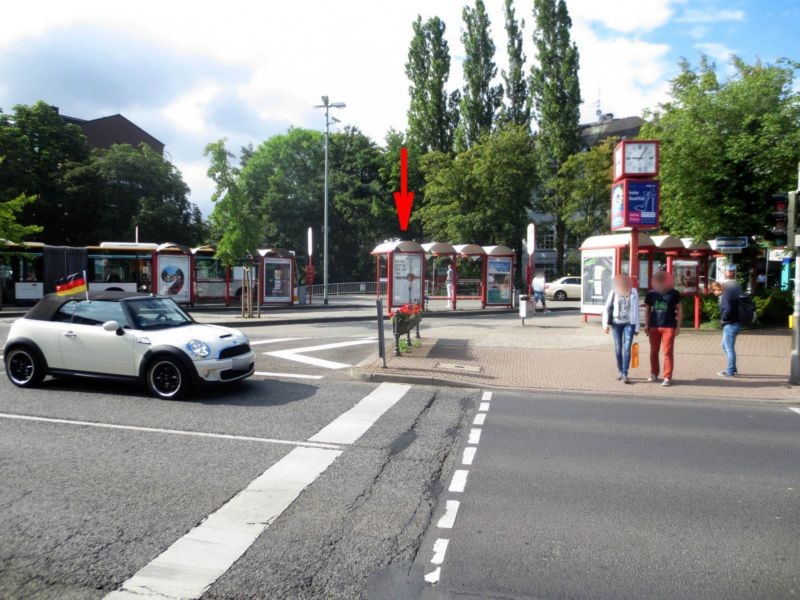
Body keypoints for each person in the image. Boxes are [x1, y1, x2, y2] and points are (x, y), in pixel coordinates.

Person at [644, 271, 683, 387]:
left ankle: (667, 377)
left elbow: (680, 310)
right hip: (654, 327)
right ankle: (654, 373)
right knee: (653, 352)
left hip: (669, 326)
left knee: (668, 353)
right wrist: (646, 325)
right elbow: (647, 311)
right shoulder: (650, 294)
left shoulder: (674, 293)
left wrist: (678, 326)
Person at [602, 274, 640, 384]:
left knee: (627, 348)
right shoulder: (614, 292)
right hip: (616, 323)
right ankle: (619, 370)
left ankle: (625, 372)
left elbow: (636, 310)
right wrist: (605, 325)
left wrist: (637, 327)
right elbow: (606, 308)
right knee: (618, 348)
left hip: (630, 323)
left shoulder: (634, 292)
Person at [713, 268, 742, 377]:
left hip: (730, 324)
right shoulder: (733, 293)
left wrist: (723, 319)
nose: (714, 293)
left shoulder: (726, 296)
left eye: (714, 290)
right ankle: (732, 367)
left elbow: (728, 309)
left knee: (729, 348)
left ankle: (730, 371)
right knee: (724, 346)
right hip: (734, 323)